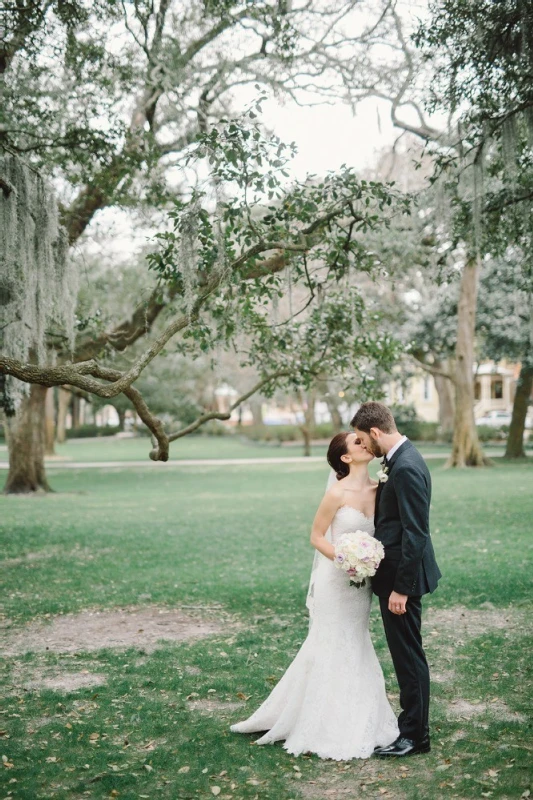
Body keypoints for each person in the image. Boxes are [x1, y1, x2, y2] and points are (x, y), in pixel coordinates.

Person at [230, 431, 399, 760]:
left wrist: (363, 564)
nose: (364, 443)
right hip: (334, 582)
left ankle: (361, 716)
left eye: (364, 440)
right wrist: (344, 559)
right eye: (356, 442)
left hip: (361, 585)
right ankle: (321, 722)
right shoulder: (336, 492)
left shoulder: (381, 490)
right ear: (346, 458)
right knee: (330, 643)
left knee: (356, 642)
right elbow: (316, 536)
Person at [351, 401, 442, 758]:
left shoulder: (404, 467)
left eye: (363, 439)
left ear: (375, 432)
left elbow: (416, 533)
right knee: (406, 653)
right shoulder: (397, 462)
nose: (364, 447)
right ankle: (412, 729)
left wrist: (401, 589)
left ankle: (415, 737)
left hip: (402, 582)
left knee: (408, 657)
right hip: (394, 576)